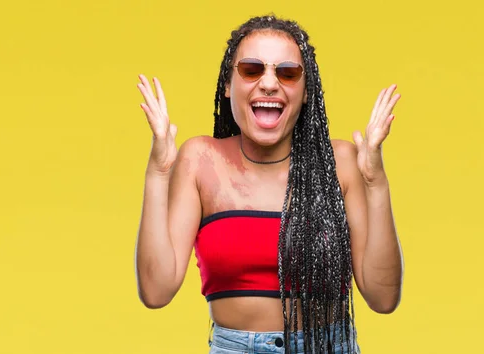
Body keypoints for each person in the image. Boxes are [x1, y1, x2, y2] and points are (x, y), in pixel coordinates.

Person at [134, 14, 404, 354]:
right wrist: (157, 174)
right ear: (228, 84)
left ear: (306, 92)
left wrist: (376, 182)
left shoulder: (342, 162)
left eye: (287, 73)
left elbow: (383, 298)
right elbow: (156, 291)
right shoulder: (201, 159)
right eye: (251, 69)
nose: (269, 83)